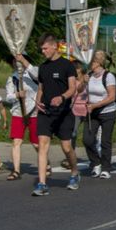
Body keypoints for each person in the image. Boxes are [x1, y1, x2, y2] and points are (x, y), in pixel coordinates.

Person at [33, 33, 79, 196]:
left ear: (54, 46)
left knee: (66, 147)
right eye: (42, 49)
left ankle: (74, 173)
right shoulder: (43, 67)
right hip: (46, 112)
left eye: (45, 48)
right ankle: (42, 183)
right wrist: (37, 102)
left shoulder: (67, 65)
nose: (43, 51)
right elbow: (41, 88)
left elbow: (73, 88)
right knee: (42, 144)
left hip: (64, 113)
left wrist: (62, 97)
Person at [83, 50, 116, 179]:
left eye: (92, 61)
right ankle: (96, 162)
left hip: (107, 111)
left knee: (105, 141)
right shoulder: (89, 75)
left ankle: (106, 168)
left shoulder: (108, 76)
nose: (89, 64)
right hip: (92, 112)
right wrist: (83, 82)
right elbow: (80, 90)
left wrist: (96, 105)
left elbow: (112, 97)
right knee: (87, 139)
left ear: (98, 62)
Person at [5, 54, 39, 180]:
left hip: (34, 111)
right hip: (18, 112)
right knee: (16, 141)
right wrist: (16, 95)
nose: (16, 63)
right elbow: (8, 97)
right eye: (14, 61)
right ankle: (16, 170)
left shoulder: (33, 72)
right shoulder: (12, 78)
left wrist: (24, 62)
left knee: (36, 144)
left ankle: (45, 163)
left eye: (18, 60)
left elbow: (38, 76)